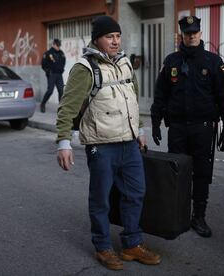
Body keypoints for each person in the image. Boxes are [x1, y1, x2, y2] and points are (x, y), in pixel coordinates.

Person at [56, 15, 161, 270]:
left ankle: (131, 245)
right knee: (101, 199)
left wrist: (140, 130)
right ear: (97, 39)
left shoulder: (125, 63)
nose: (115, 41)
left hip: (129, 143)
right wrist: (63, 142)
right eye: (109, 37)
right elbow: (67, 107)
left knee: (135, 194)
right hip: (101, 146)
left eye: (117, 36)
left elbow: (133, 99)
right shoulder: (85, 68)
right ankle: (103, 247)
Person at [150, 16, 224, 238]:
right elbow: (161, 94)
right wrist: (155, 121)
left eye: (194, 32)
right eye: (187, 32)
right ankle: (177, 214)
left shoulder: (213, 61)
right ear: (181, 34)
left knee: (202, 173)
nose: (191, 35)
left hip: (203, 128)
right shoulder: (171, 62)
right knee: (176, 172)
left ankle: (198, 217)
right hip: (177, 128)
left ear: (200, 33)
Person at [40, 38, 65, 113]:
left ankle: (60, 108)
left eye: (59, 46)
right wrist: (48, 71)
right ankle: (43, 104)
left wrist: (61, 69)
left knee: (61, 91)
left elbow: (63, 61)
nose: (58, 47)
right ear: (53, 45)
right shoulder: (48, 53)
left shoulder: (61, 53)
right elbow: (43, 64)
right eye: (57, 45)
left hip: (59, 75)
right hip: (52, 75)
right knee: (50, 91)